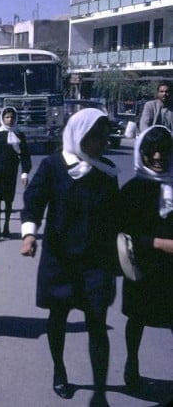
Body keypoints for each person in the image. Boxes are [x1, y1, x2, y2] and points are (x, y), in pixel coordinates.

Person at [20, 108, 121, 407]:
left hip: (96, 263)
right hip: (60, 258)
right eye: (95, 136)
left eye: (105, 136)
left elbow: (117, 216)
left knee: (98, 324)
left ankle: (99, 390)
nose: (102, 142)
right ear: (79, 135)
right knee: (58, 317)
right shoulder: (54, 165)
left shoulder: (107, 170)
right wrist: (29, 234)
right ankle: (59, 369)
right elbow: (34, 200)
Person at [118, 125, 173, 389]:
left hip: (171, 270)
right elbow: (121, 233)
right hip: (143, 266)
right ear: (143, 153)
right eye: (152, 152)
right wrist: (158, 243)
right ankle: (132, 361)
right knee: (137, 318)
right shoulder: (132, 189)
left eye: (164, 151)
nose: (159, 157)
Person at [0, 106, 31, 240]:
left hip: (11, 173)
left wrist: (25, 172)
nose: (10, 120)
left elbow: (25, 155)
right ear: (2, 119)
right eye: (7, 117)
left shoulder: (19, 135)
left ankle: (6, 227)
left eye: (12, 117)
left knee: (8, 201)